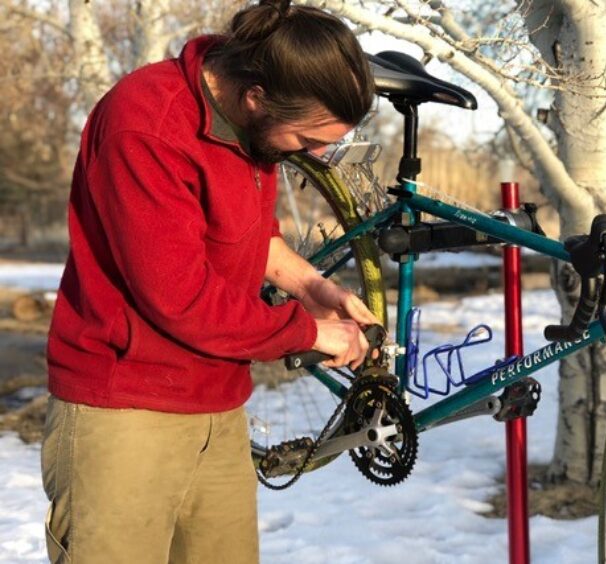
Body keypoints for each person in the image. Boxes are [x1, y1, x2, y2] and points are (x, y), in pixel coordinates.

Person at [41, 1, 379, 562]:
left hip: (216, 404)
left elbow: (249, 235)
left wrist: (313, 287)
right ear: (256, 96)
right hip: (126, 412)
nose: (317, 154)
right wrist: (309, 332)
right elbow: (181, 298)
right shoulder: (146, 125)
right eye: (307, 138)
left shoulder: (250, 127)